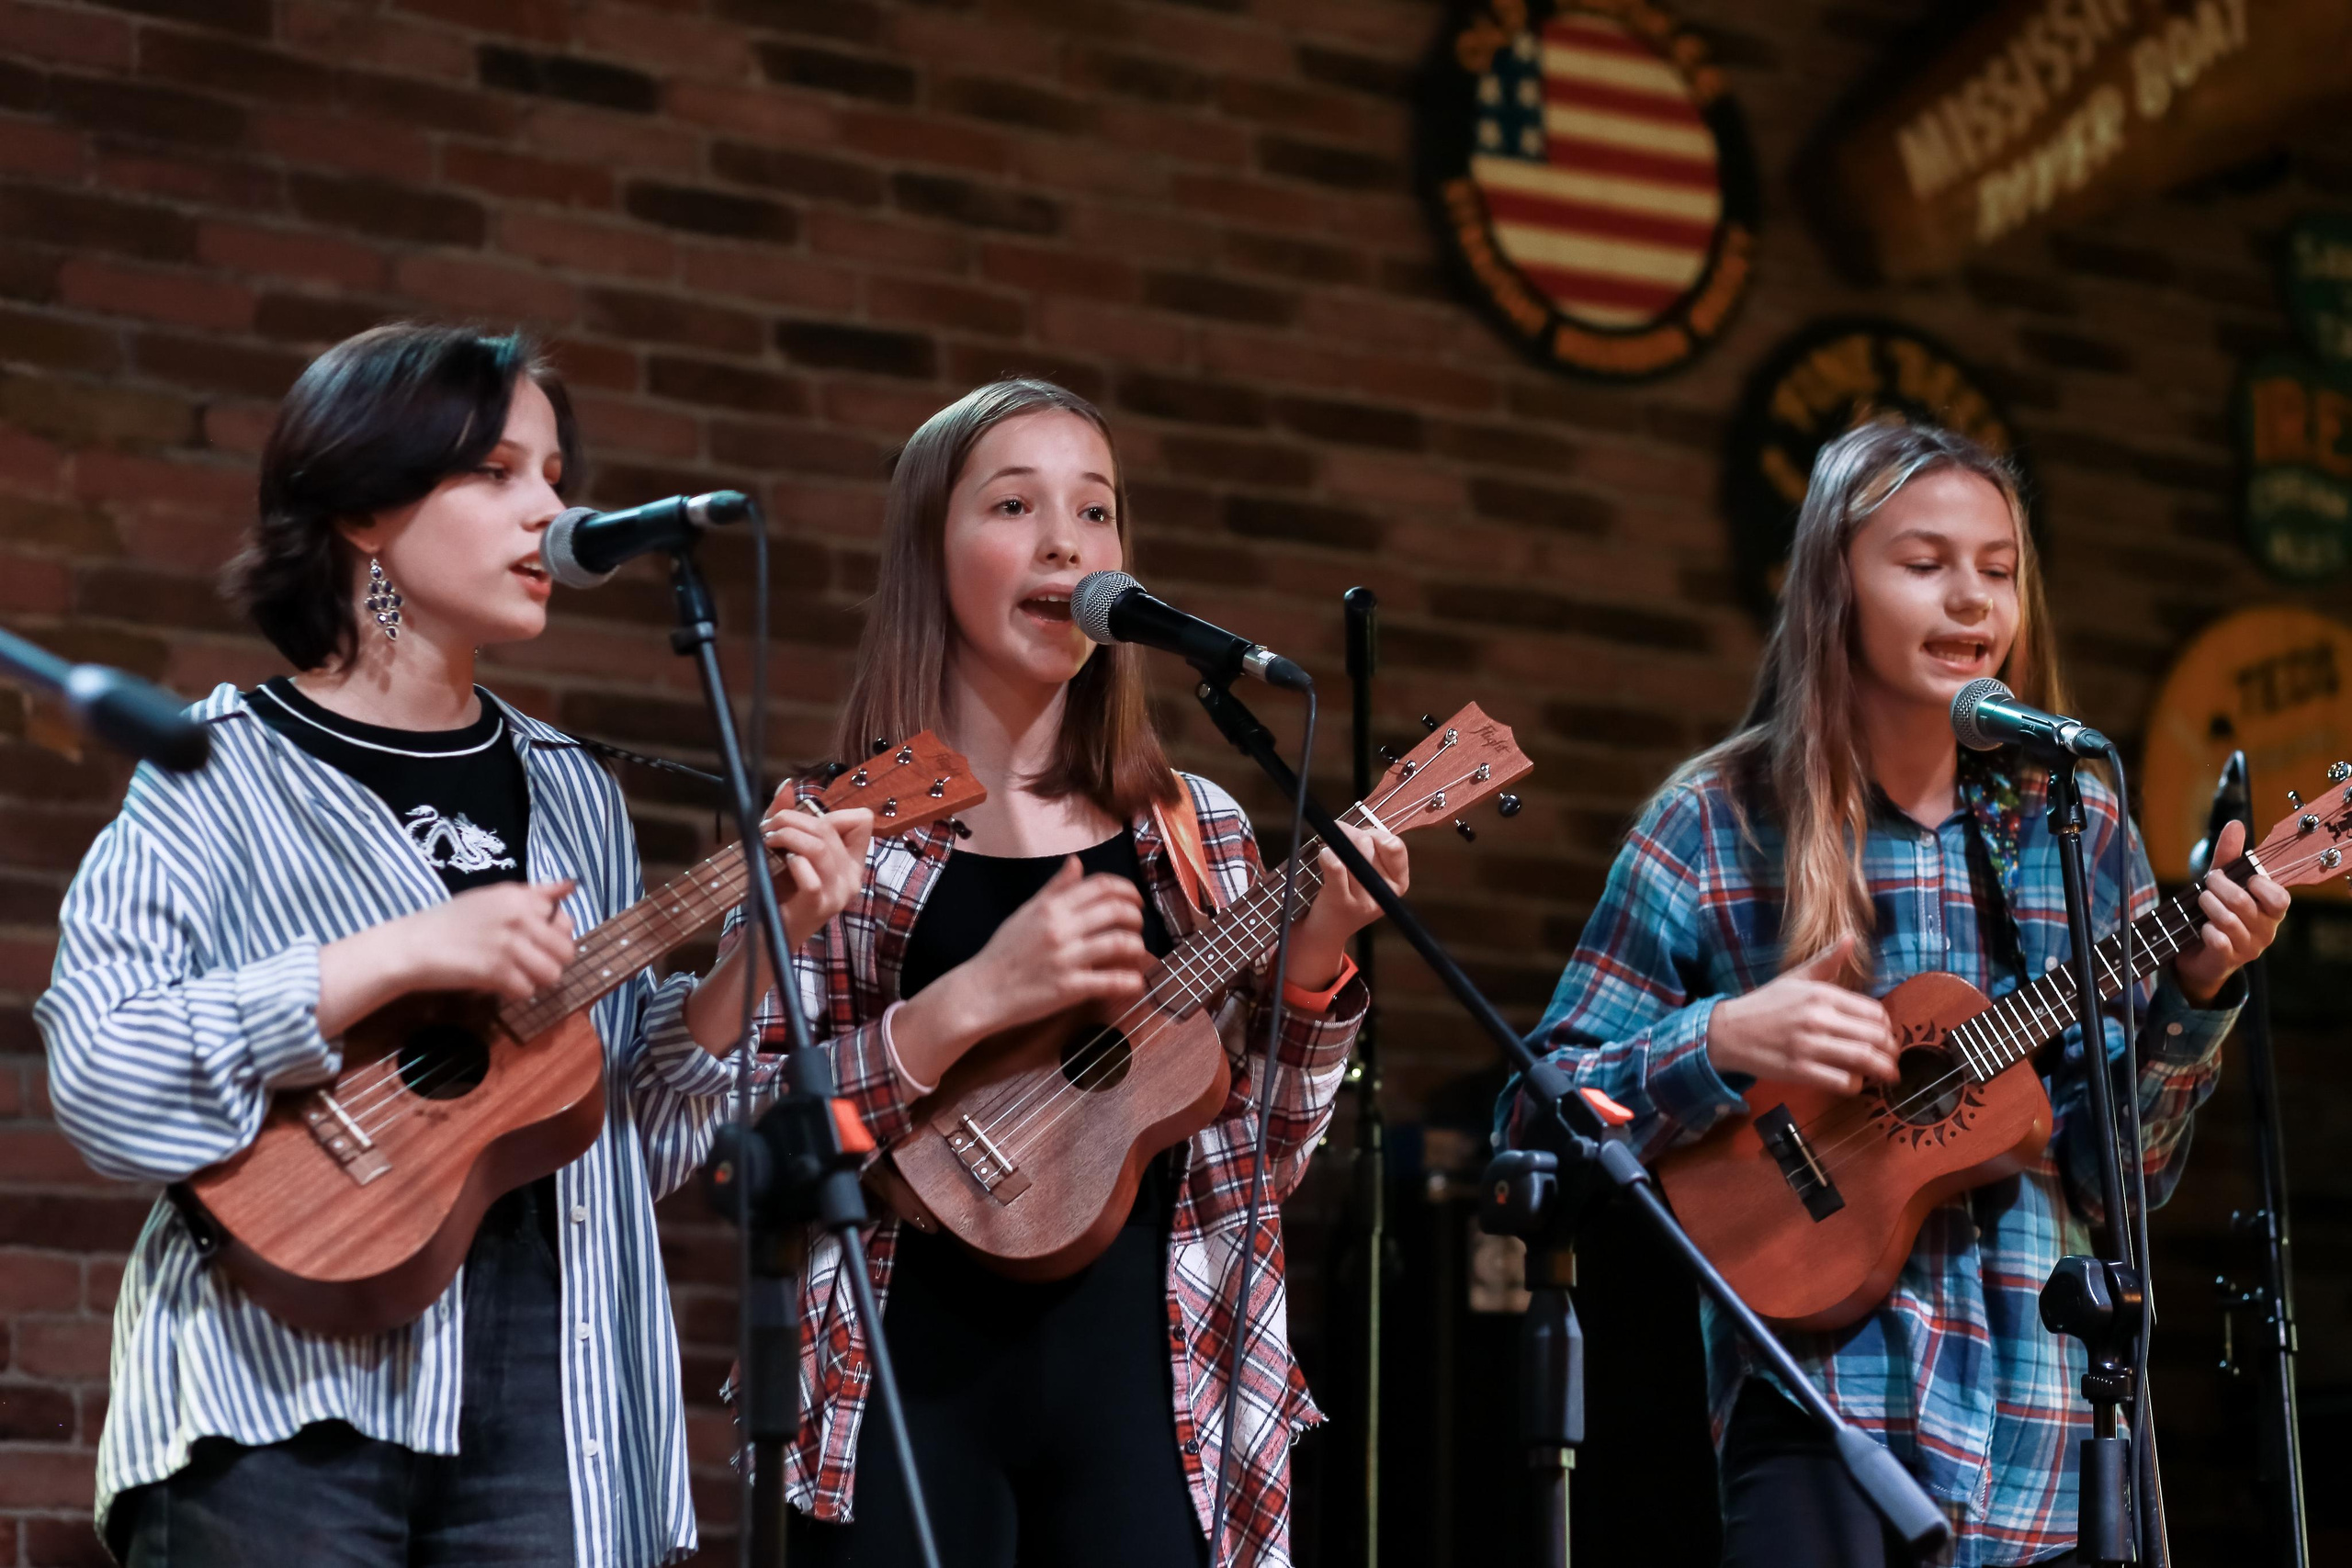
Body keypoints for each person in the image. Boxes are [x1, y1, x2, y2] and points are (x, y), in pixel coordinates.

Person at [37, 321, 870, 1568]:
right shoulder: (215, 771)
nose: (550, 509)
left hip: (561, 1393)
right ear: (367, 507)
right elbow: (103, 1077)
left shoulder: (572, 789)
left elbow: (624, 1127)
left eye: (553, 474)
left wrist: (766, 947)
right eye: (496, 471)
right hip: (281, 1383)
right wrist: (392, 955)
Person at [1501, 420, 2289, 1567]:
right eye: (1924, 565)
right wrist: (1718, 1037)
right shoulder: (1714, 824)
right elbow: (1536, 1116)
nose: (1968, 600)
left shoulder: (2076, 823)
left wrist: (2198, 993)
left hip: (2052, 1437)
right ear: (1835, 584)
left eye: (1997, 570)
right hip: (1824, 1417)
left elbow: (2123, 1175)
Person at [759, 378, 1408, 1568]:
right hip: (900, 1372)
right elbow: (763, 1129)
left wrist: (1313, 964)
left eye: (1097, 512)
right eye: (1015, 503)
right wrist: (966, 1005)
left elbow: (1259, 1152)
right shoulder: (847, 828)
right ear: (928, 548)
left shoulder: (1191, 828)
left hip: (1156, 1384)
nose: (1067, 540)